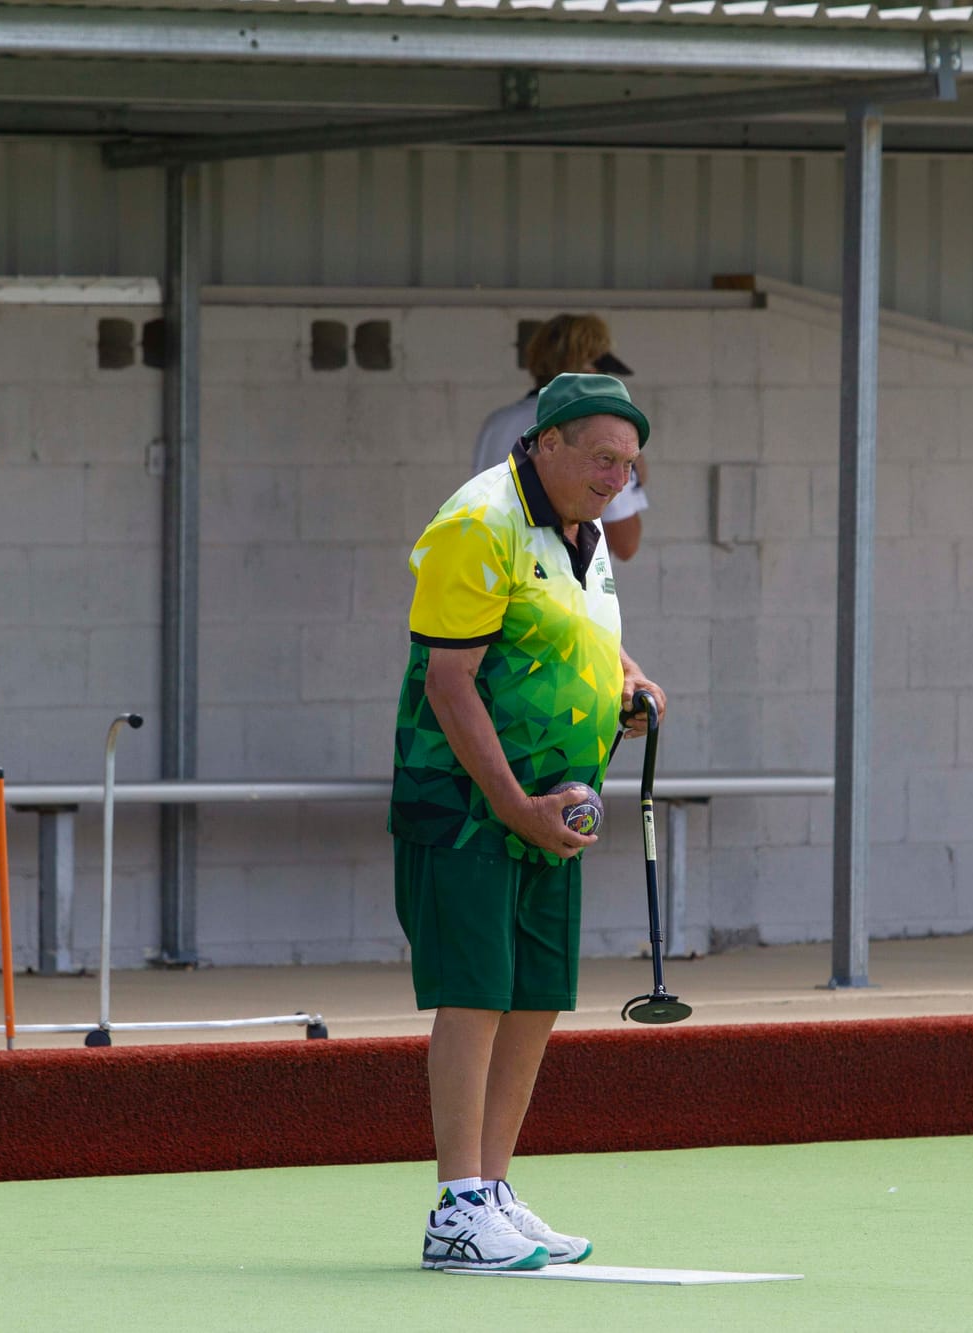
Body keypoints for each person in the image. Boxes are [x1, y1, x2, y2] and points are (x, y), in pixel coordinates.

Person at [395, 373, 667, 1272]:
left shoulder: (585, 535)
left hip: (556, 806)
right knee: (475, 992)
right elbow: (449, 680)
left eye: (627, 466)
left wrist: (626, 683)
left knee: (536, 994)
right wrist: (514, 804)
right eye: (600, 458)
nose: (614, 478)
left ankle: (496, 1191)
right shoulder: (482, 523)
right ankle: (456, 1206)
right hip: (472, 808)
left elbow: (574, 633)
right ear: (546, 442)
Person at [473, 314, 650, 560]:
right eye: (603, 371)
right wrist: (632, 469)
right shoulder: (600, 432)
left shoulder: (496, 424)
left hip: (495, 571)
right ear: (588, 370)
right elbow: (626, 542)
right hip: (558, 583)